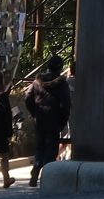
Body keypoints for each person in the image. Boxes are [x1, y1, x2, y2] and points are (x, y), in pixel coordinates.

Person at [25, 54, 72, 186]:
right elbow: (66, 104)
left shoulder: (36, 83)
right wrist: (62, 120)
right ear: (60, 67)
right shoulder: (62, 84)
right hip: (55, 119)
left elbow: (28, 98)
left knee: (40, 147)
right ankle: (47, 175)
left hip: (40, 118)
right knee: (51, 149)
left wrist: (34, 112)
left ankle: (37, 165)